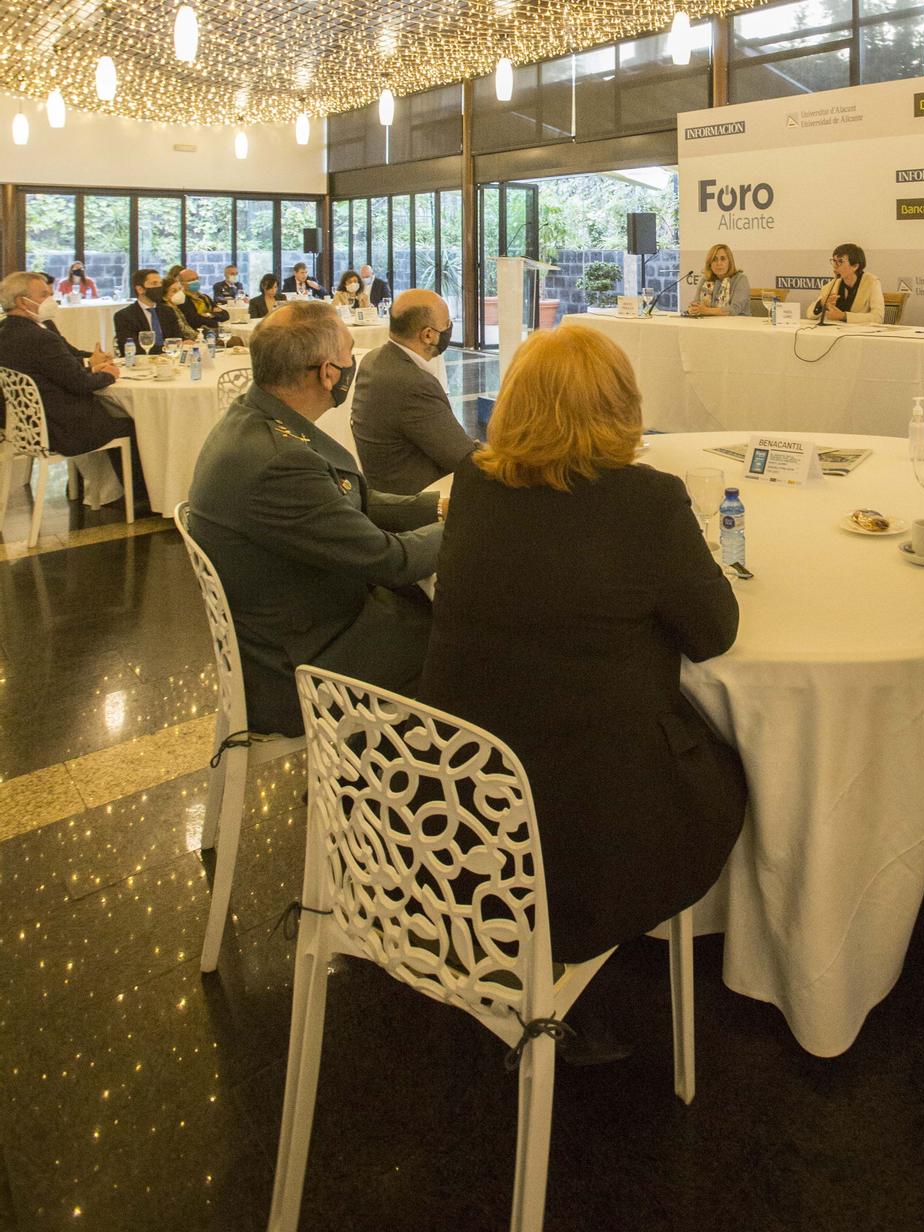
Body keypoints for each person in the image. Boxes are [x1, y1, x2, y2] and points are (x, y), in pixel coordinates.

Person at [418, 323, 746, 966]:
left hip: (457, 799)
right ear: (622, 407)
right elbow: (714, 635)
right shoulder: (647, 501)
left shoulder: (474, 482)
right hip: (591, 831)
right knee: (734, 769)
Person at [188, 302, 444, 737]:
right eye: (349, 356)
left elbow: (345, 499)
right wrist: (467, 526)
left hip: (293, 619)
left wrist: (435, 508)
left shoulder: (254, 416)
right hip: (301, 663)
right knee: (467, 637)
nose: (351, 366)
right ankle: (416, 777)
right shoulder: (279, 462)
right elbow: (390, 560)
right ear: (328, 373)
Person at [0, 270, 142, 480]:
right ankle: (135, 495)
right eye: (43, 295)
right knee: (134, 423)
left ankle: (98, 489)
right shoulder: (40, 337)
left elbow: (56, 372)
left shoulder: (6, 330)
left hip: (25, 426)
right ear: (22, 302)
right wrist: (109, 374)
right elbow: (80, 384)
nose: (51, 300)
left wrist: (92, 368)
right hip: (62, 429)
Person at [351, 291, 477, 493]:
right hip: (422, 496)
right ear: (428, 335)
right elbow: (464, 458)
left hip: (384, 487)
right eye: (447, 323)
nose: (449, 328)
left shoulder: (373, 360)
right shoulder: (414, 384)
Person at [113, 268, 187, 355]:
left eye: (160, 283)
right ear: (140, 289)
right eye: (154, 283)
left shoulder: (167, 311)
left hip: (169, 360)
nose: (159, 287)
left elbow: (177, 340)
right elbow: (133, 349)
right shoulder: (124, 316)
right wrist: (166, 349)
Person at [810, 243, 885, 325]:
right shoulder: (833, 284)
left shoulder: (871, 282)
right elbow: (810, 315)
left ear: (855, 266)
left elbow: (878, 317)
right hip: (835, 333)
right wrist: (821, 303)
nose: (835, 266)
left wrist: (844, 316)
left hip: (859, 335)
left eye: (840, 261)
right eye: (834, 261)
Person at [686, 243, 752, 317]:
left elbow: (734, 310)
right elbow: (696, 302)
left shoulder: (740, 279)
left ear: (729, 262)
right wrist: (693, 308)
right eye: (714, 259)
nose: (719, 263)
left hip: (737, 325)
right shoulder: (705, 280)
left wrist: (706, 310)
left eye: (723, 259)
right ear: (710, 264)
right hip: (710, 324)